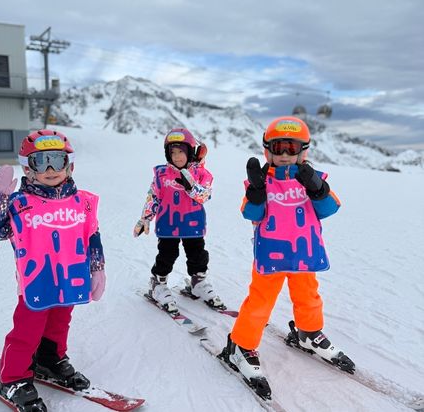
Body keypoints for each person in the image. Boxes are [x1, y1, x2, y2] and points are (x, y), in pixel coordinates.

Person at [220, 116, 354, 398]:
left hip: (304, 254)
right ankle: (241, 346)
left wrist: (317, 187)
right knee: (260, 302)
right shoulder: (260, 181)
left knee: (308, 296)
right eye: (277, 147)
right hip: (270, 257)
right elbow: (249, 213)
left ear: (303, 151)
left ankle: (308, 332)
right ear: (267, 150)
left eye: (291, 148)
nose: (283, 154)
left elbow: (330, 208)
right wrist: (256, 192)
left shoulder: (311, 179)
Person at [0, 129, 106, 411]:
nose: (50, 169)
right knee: (28, 328)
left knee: (60, 321)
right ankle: (12, 377)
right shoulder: (19, 203)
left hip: (70, 277)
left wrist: (97, 267)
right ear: (28, 168)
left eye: (57, 160)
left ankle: (49, 359)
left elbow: (92, 235)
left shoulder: (82, 202)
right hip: (35, 279)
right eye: (41, 162)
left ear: (69, 165)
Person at [133, 127, 223, 313]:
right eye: (172, 152)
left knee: (197, 254)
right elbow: (153, 197)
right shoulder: (162, 174)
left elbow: (204, 196)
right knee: (167, 255)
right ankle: (158, 283)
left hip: (193, 224)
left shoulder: (201, 174)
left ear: (190, 151)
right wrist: (145, 218)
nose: (177, 156)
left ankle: (198, 282)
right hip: (168, 224)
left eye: (181, 151)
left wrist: (191, 187)